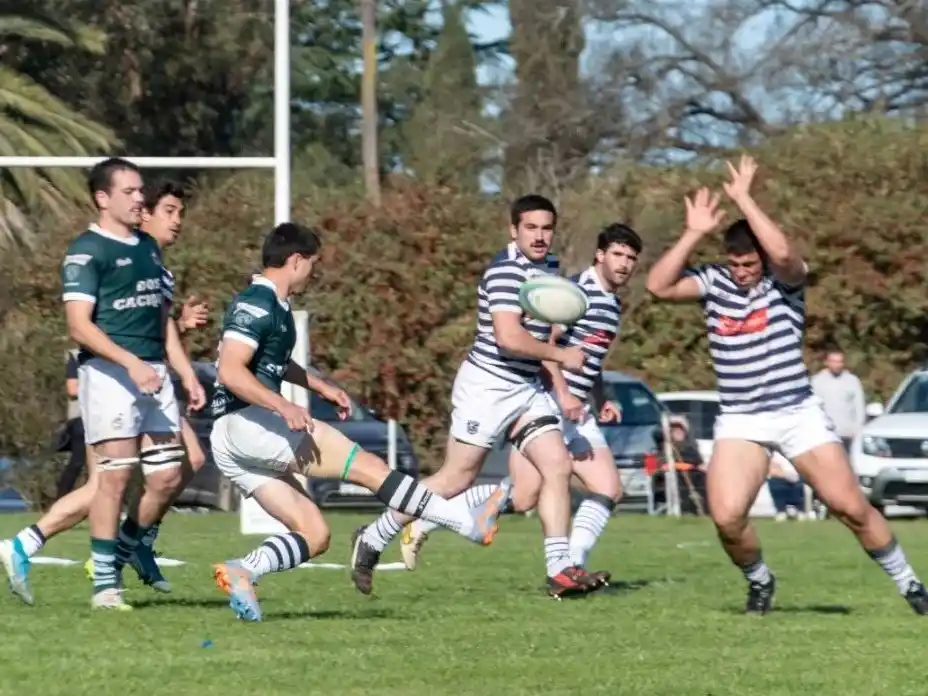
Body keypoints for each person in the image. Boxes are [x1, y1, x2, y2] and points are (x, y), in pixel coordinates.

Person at [644, 154, 928, 615]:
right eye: (735, 263)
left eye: (748, 263)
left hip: (796, 413)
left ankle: (911, 584)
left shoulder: (785, 282)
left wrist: (744, 199)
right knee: (728, 517)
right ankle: (760, 581)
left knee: (850, 507)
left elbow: (782, 255)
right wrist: (694, 232)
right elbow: (657, 287)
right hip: (741, 418)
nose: (742, 271)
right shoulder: (714, 282)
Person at [208, 222, 508, 622]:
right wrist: (283, 406)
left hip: (235, 440)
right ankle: (465, 524)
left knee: (315, 535)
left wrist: (320, 387)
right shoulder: (256, 302)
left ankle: (243, 570)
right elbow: (230, 370)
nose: (313, 273)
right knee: (371, 468)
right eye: (312, 264)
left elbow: (274, 361)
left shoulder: (275, 305)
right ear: (296, 261)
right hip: (250, 425)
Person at [350, 195, 596, 600]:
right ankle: (374, 536)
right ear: (513, 230)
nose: (539, 236)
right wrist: (561, 356)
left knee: (557, 465)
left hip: (526, 388)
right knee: (455, 478)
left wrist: (559, 343)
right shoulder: (505, 272)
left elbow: (544, 327)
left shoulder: (549, 268)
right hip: (488, 386)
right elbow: (508, 337)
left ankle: (560, 570)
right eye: (530, 228)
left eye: (546, 228)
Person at [0, 158, 205, 610]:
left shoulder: (149, 249)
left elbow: (159, 317)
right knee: (112, 481)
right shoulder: (86, 251)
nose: (139, 199)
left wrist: (186, 372)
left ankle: (124, 549)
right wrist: (130, 362)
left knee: (170, 472)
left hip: (151, 375)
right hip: (111, 376)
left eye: (140, 191)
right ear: (102, 198)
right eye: (130, 192)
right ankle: (105, 586)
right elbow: (79, 326)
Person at [399, 223, 642, 585]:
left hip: (579, 411)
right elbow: (544, 346)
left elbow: (588, 357)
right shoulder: (574, 293)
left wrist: (601, 396)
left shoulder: (613, 302)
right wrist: (563, 393)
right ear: (600, 254)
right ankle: (428, 518)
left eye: (631, 258)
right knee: (526, 495)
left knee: (601, 489)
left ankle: (570, 566)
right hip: (548, 405)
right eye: (618, 254)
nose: (624, 264)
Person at [811, 348, 866, 451]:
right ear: (827, 362)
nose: (838, 365)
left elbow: (859, 406)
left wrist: (858, 429)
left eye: (840, 362)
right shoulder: (817, 381)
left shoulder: (852, 380)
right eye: (834, 361)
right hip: (825, 434)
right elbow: (813, 407)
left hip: (847, 433)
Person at [55, 349, 90, 499]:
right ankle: (60, 501)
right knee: (77, 462)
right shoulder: (75, 357)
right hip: (81, 419)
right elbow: (72, 389)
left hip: (104, 417)